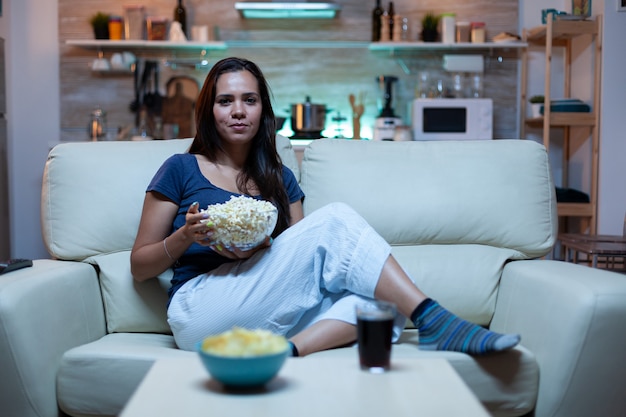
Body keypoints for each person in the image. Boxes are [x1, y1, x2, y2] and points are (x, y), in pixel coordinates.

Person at [130, 57, 520, 356]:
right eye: (225, 101)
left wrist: (259, 247)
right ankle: (435, 319)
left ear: (263, 110)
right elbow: (139, 265)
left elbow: (296, 258)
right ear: (209, 111)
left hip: (267, 311)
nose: (237, 111)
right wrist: (183, 237)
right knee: (335, 220)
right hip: (201, 310)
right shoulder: (181, 168)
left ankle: (288, 352)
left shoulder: (280, 178)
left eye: (249, 100)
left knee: (384, 296)